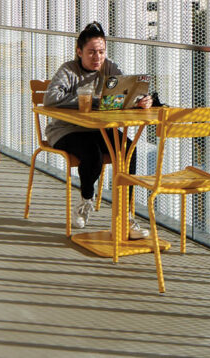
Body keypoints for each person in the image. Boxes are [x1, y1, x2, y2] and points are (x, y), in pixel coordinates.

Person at [43, 21, 151, 239]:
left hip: (98, 128)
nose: (97, 58)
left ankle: (127, 216)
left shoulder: (109, 67)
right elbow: (50, 98)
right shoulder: (68, 70)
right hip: (65, 130)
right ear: (79, 51)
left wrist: (142, 100)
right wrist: (90, 100)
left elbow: (127, 90)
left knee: (128, 149)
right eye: (91, 52)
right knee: (92, 153)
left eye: (101, 52)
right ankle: (86, 199)